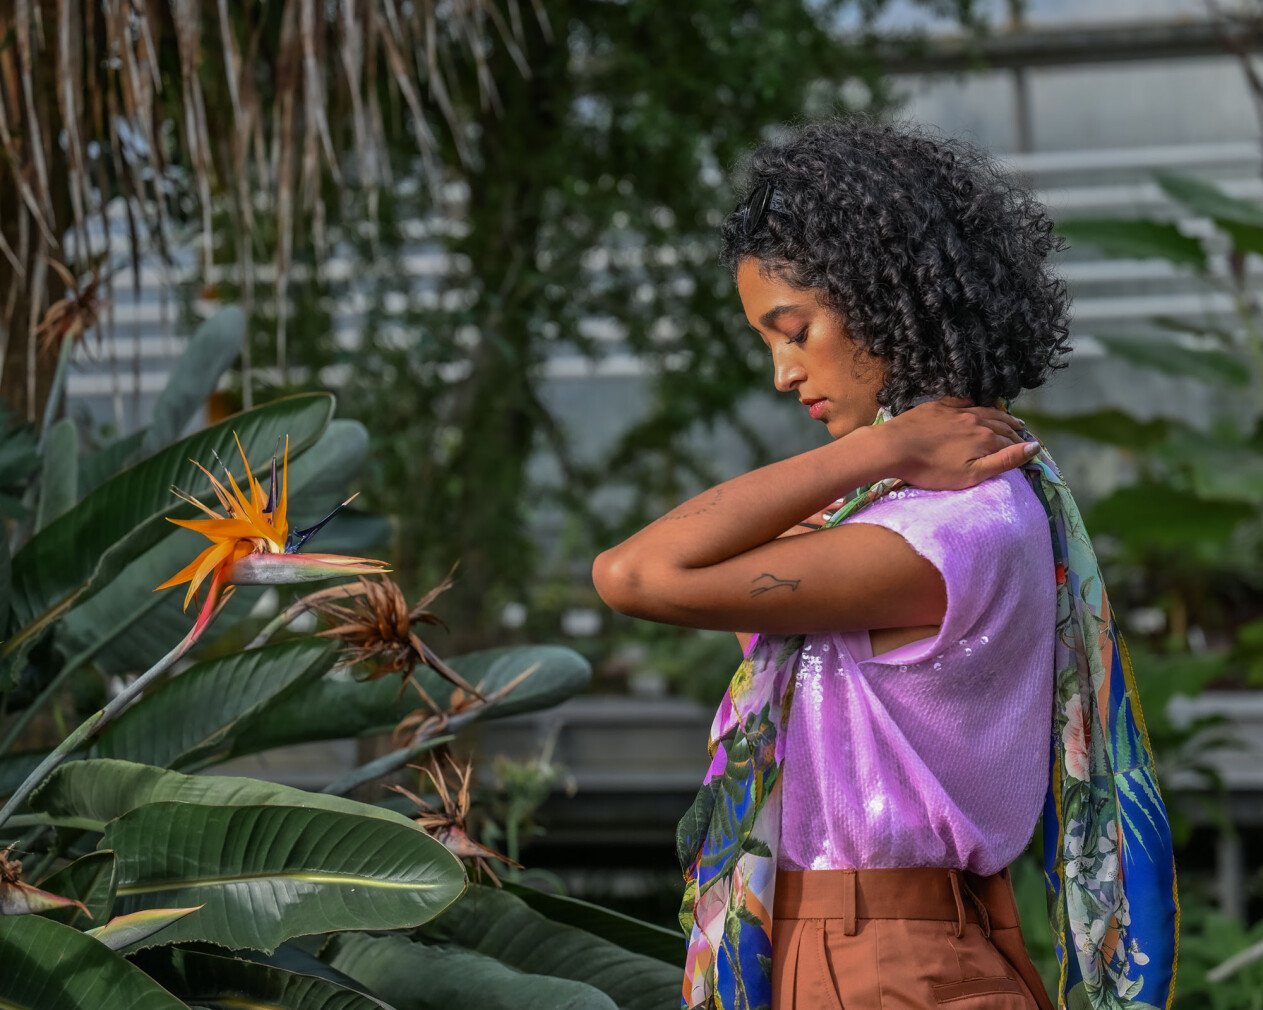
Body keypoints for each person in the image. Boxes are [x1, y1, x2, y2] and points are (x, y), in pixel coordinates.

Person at [592, 117, 1177, 1010]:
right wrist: (886, 455)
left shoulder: (949, 529)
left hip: (875, 958)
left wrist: (882, 444)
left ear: (879, 298)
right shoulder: (915, 513)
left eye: (794, 331)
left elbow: (634, 575)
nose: (783, 373)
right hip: (890, 947)